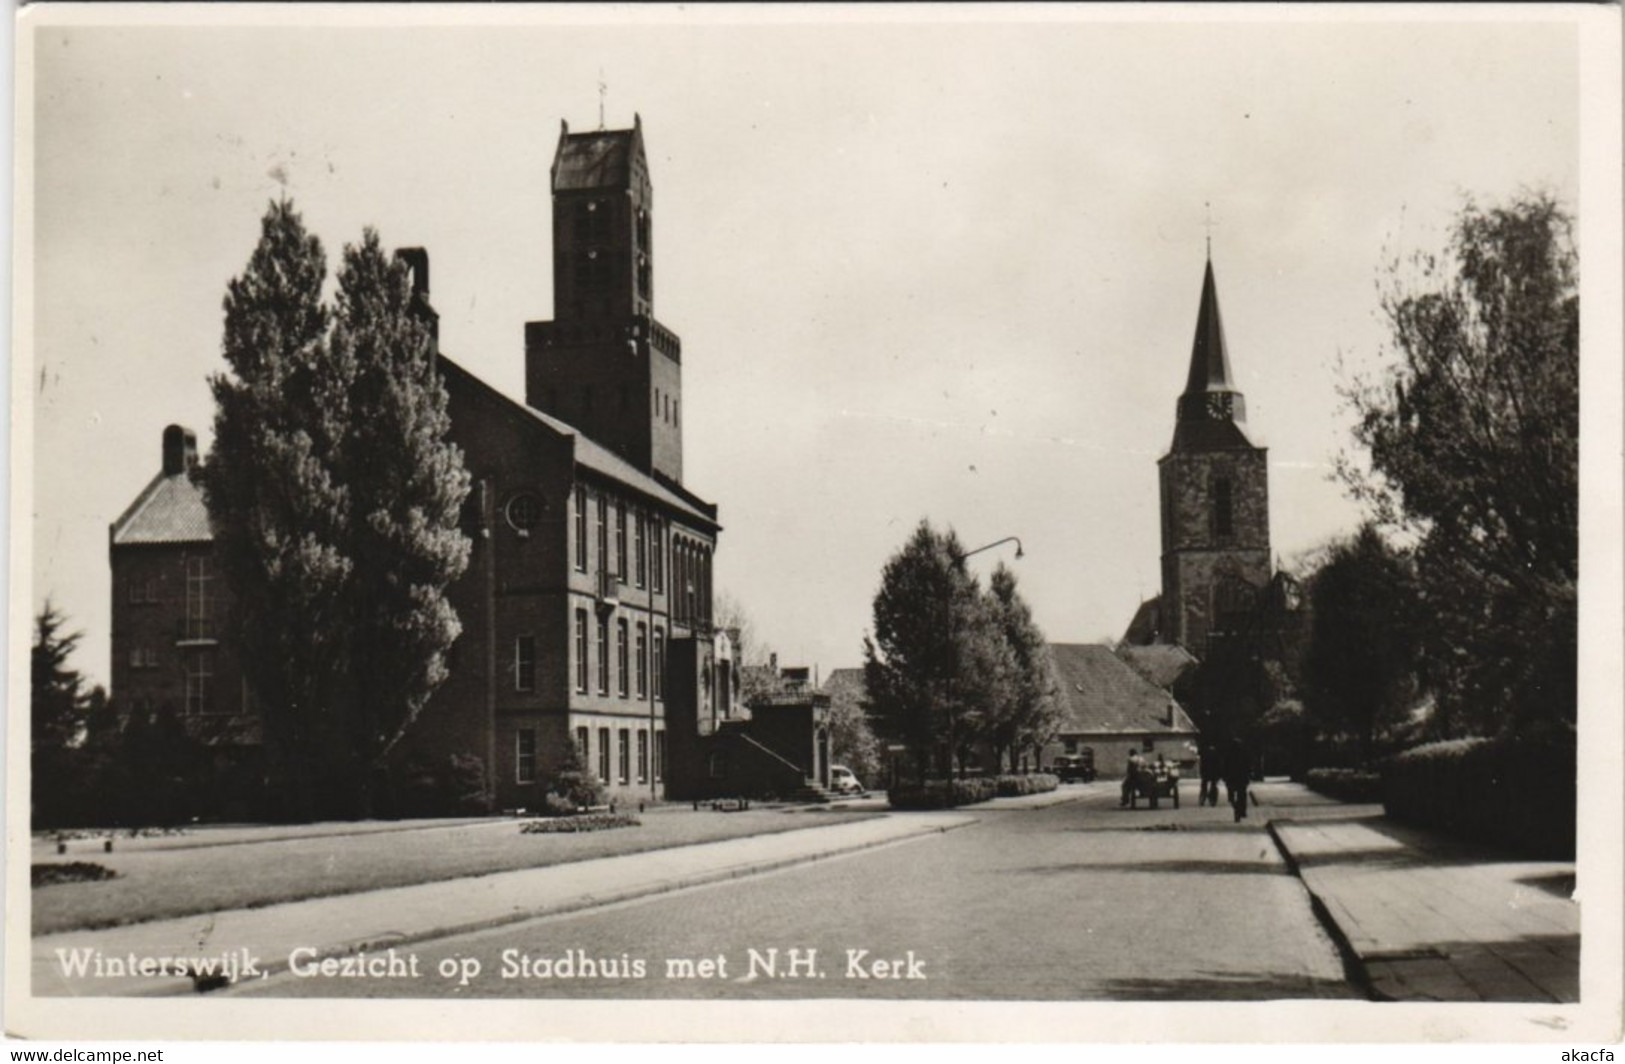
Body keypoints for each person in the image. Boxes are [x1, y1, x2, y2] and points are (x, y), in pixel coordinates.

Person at [1224, 736, 1251, 822]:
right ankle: (1242, 810)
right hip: (1241, 778)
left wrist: (1224, 777)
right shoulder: (1244, 754)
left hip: (1231, 778)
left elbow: (1225, 766)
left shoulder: (1228, 755)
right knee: (1242, 795)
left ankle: (1236, 807)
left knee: (1232, 796)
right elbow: (1248, 766)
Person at [1198, 740, 1222, 807]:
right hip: (1212, 769)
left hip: (1207, 769)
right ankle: (1211, 798)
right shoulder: (1216, 751)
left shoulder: (1204, 751)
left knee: (1205, 783)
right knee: (1212, 784)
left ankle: (1203, 797)